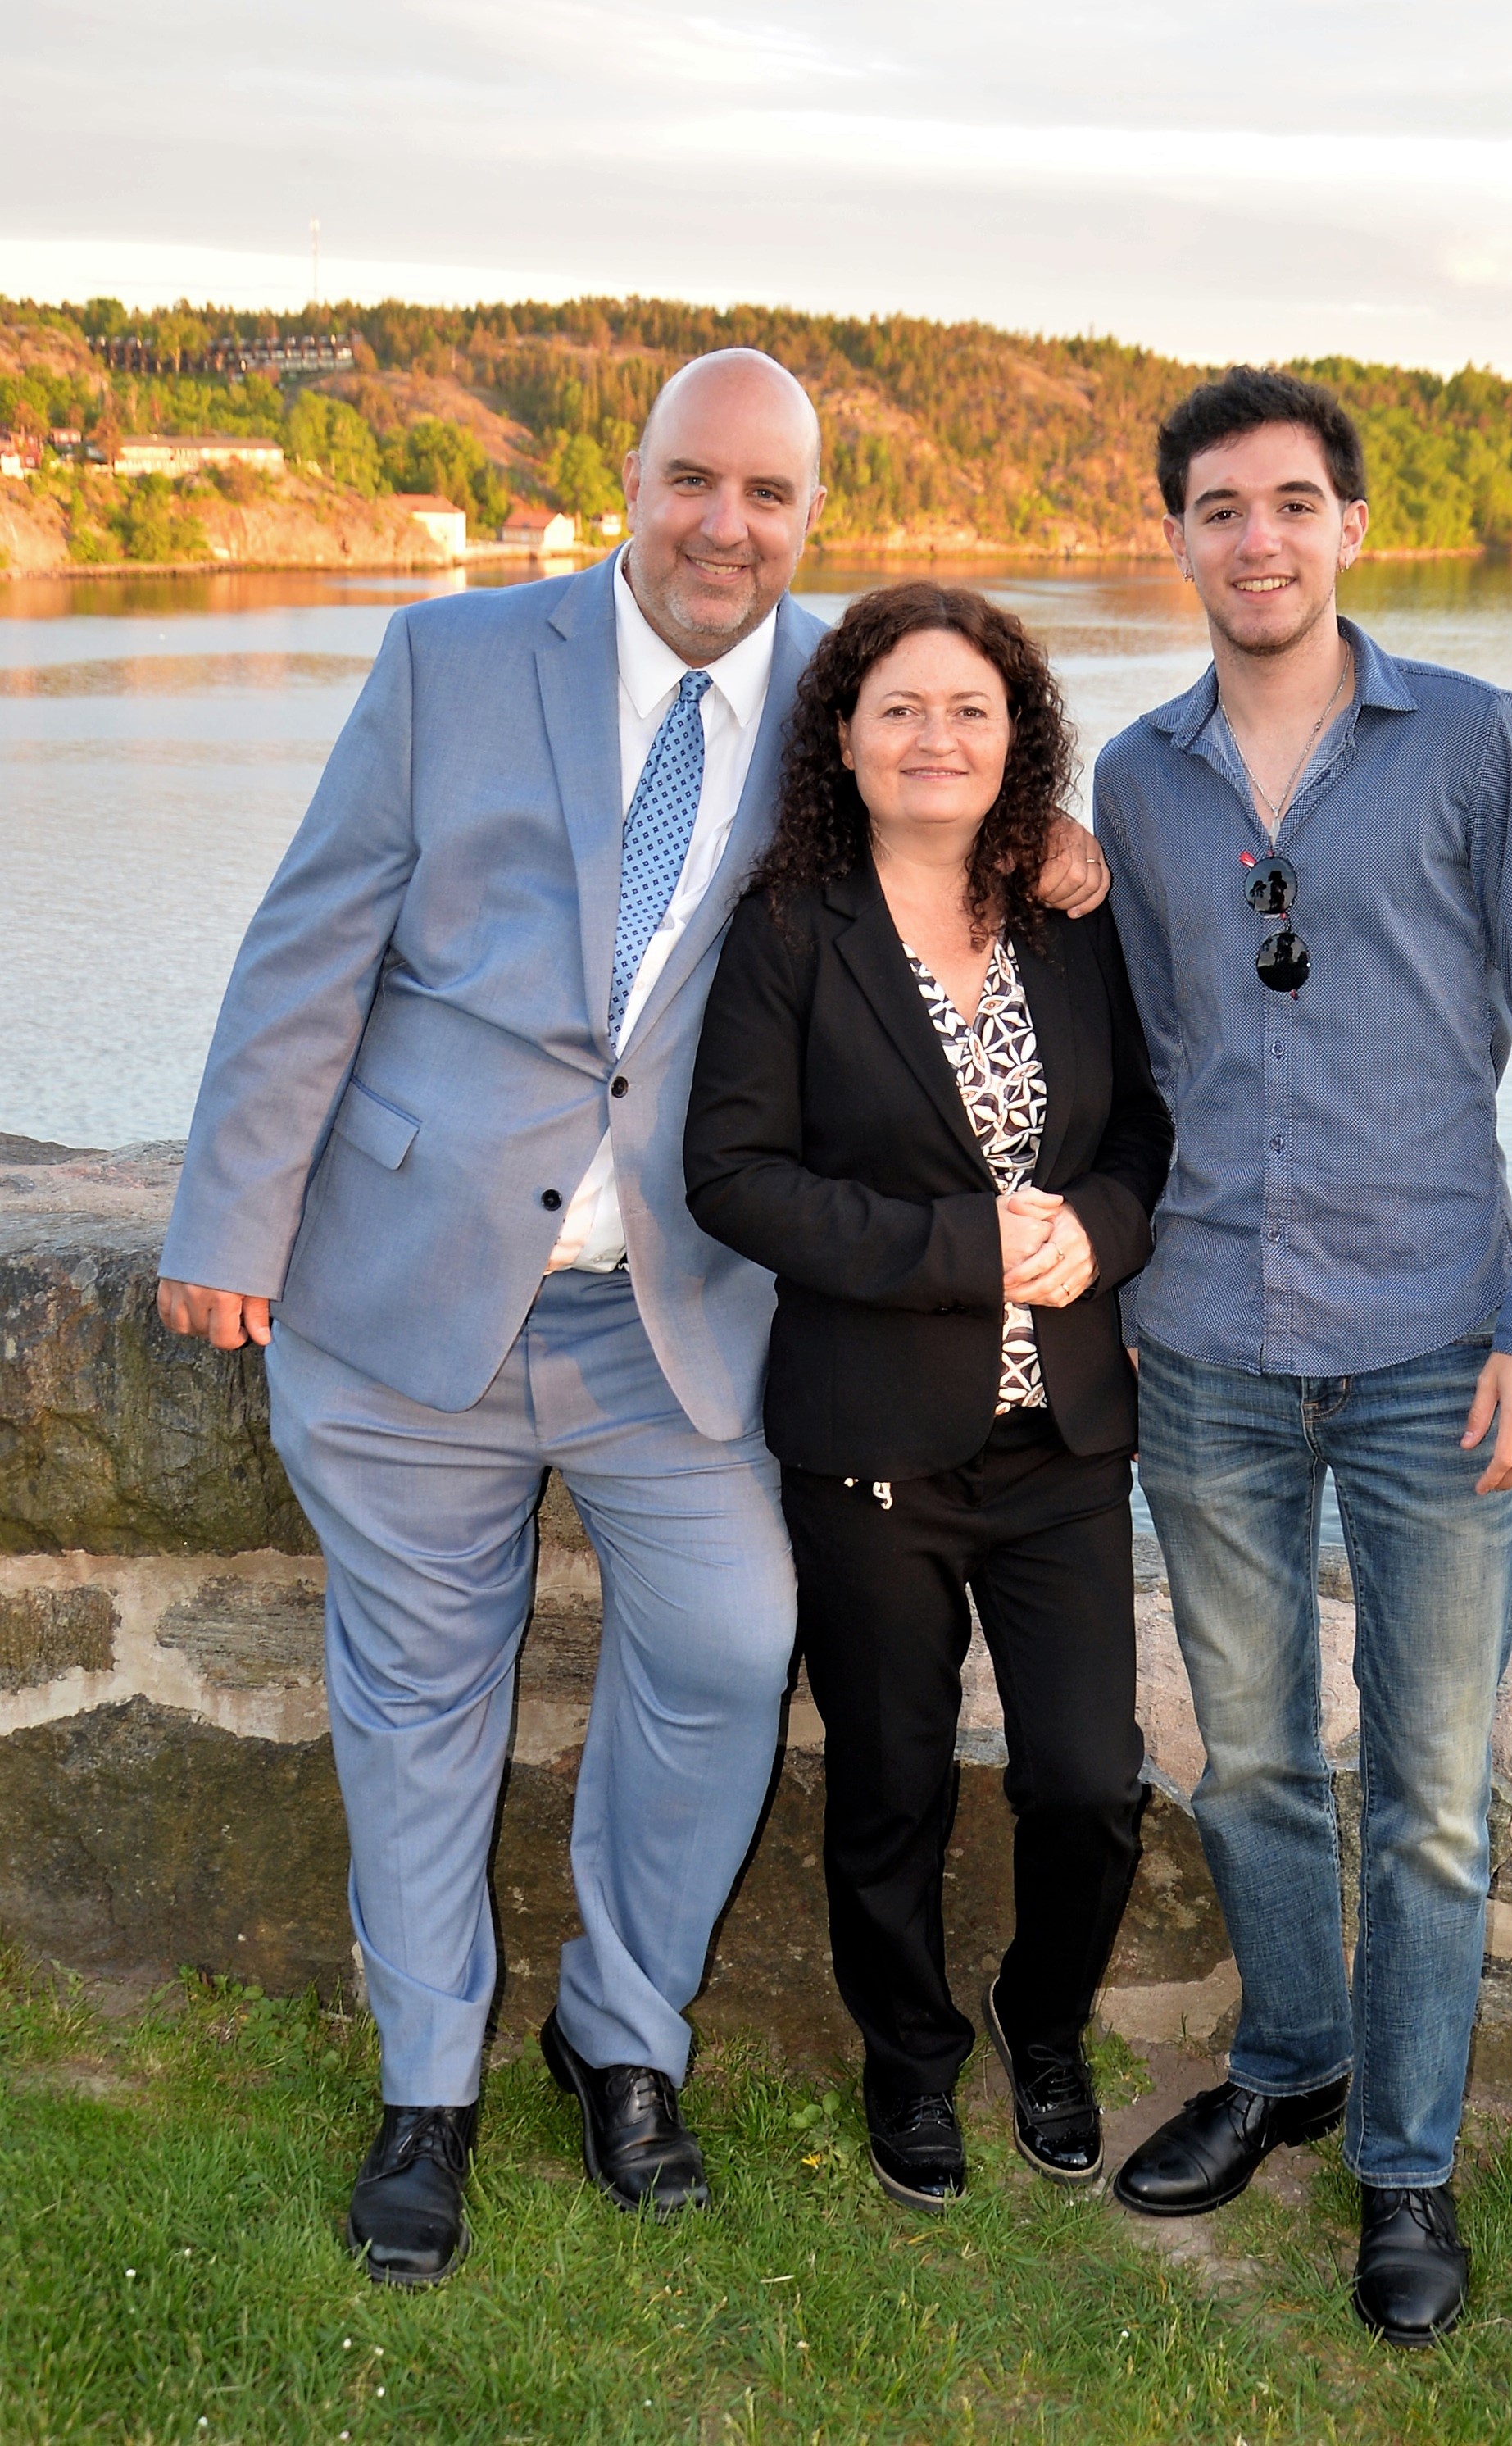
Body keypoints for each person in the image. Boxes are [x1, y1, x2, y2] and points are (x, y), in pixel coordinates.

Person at [155, 353, 1110, 2282]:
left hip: (672, 1320)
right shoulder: (444, 659)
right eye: (692, 479)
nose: (721, 526)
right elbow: (310, 941)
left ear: (809, 516)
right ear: (631, 474)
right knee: (418, 1699)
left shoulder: (851, 701)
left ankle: (621, 2034)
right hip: (407, 1284)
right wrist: (227, 1213)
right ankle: (426, 2088)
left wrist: (1055, 841)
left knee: (732, 1647)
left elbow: (964, 822)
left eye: (766, 494)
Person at [1096, 367, 1512, 2344]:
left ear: (1348, 527)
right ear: (1176, 537)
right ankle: (1290, 2064)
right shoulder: (1133, 780)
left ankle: (1404, 2164)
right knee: (1248, 1757)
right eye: (1219, 508)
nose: (1257, 539)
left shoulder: (1475, 742)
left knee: (1425, 1789)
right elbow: (1129, 1064)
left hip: (1435, 1349)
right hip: (1203, 1348)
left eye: (1291, 503)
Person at [684, 584, 1173, 2209]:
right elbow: (731, 1176)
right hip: (871, 1444)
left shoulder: (1066, 914)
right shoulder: (788, 928)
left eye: (971, 708)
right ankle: (908, 2054)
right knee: (887, 1783)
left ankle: (1043, 2021)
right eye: (899, 707)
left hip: (1064, 1441)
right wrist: (960, 1248)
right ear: (843, 736)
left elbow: (1139, 1132)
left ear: (1016, 734)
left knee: (1089, 1781)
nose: (935, 738)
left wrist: (1099, 1233)